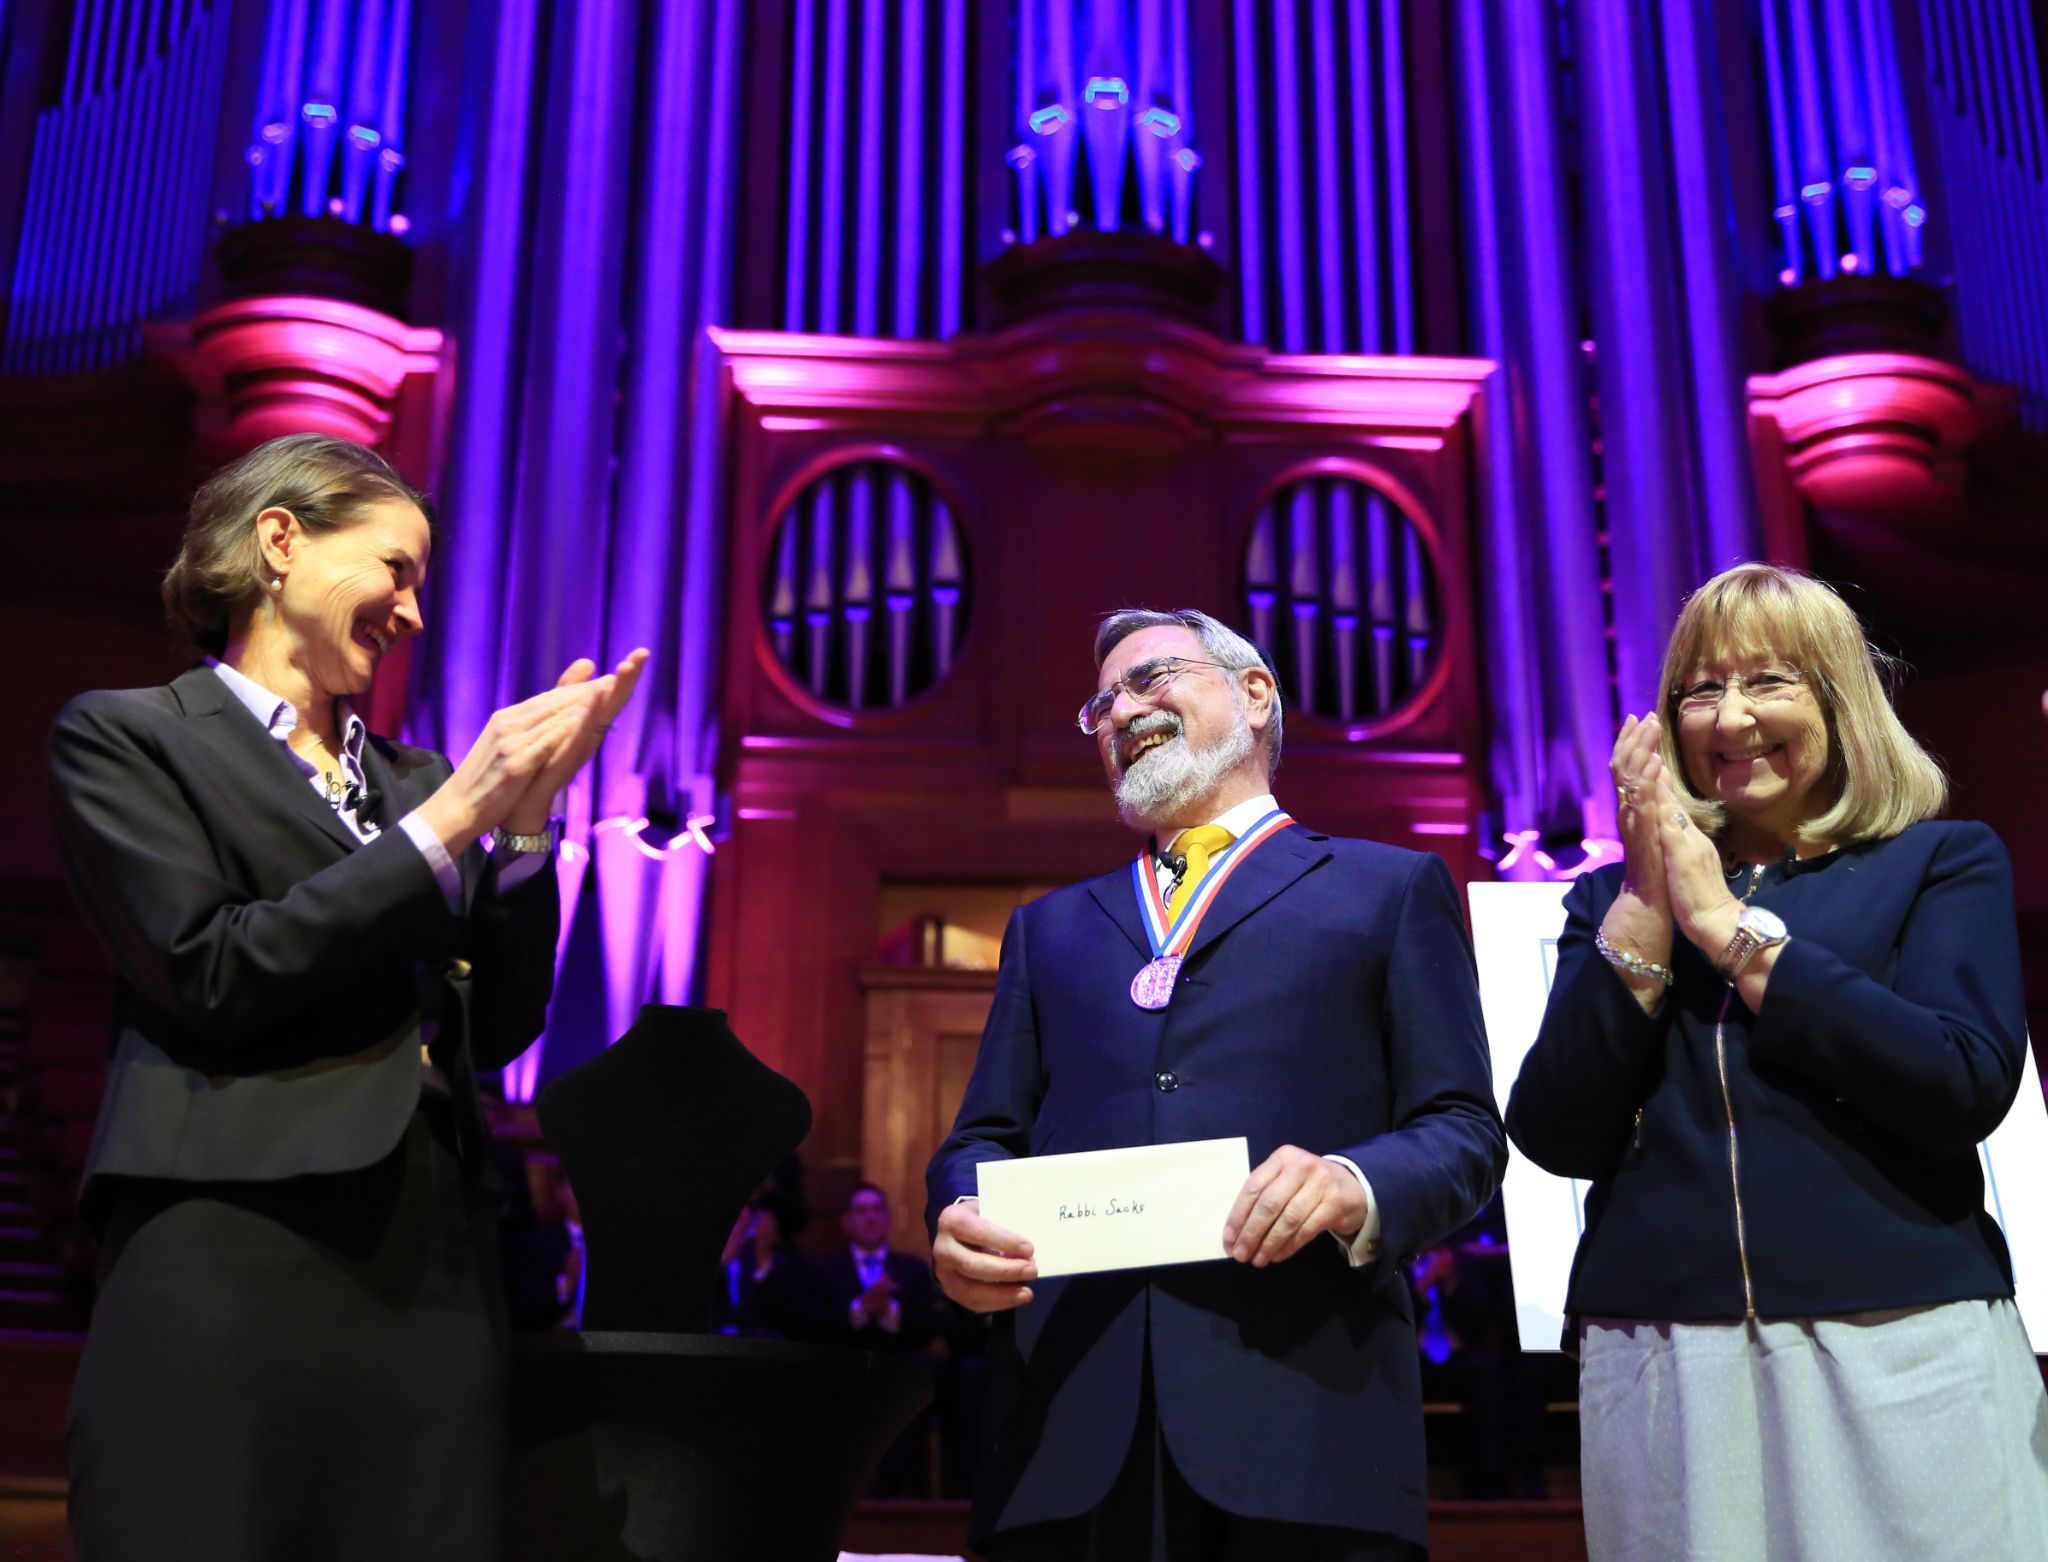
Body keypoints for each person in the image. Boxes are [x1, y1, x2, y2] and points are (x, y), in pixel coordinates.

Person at [48, 433, 647, 1562]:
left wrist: (524, 821)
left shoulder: (420, 779)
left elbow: (504, 1024)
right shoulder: (129, 737)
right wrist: (454, 818)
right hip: (227, 1242)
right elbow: (211, 968)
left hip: (432, 1264)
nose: (412, 613)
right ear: (280, 540)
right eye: (396, 568)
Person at [925, 607, 1505, 1561]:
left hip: (1305, 1419)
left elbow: (1463, 1129)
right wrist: (956, 1217)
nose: (1121, 710)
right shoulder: (1049, 929)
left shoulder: (1387, 889)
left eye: (1153, 678)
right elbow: (980, 1140)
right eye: (1102, 703)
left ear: (1255, 693)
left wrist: (1355, 1183)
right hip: (1068, 1431)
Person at [1506, 563, 2048, 1562]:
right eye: (1700, 688)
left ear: (1837, 699)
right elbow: (1553, 1129)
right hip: (1664, 1348)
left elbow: (1956, 1079)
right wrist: (1644, 902)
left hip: (1897, 1335)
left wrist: (1727, 927)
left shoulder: (1936, 861)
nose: (1728, 716)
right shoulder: (1606, 903)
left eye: (1765, 681)